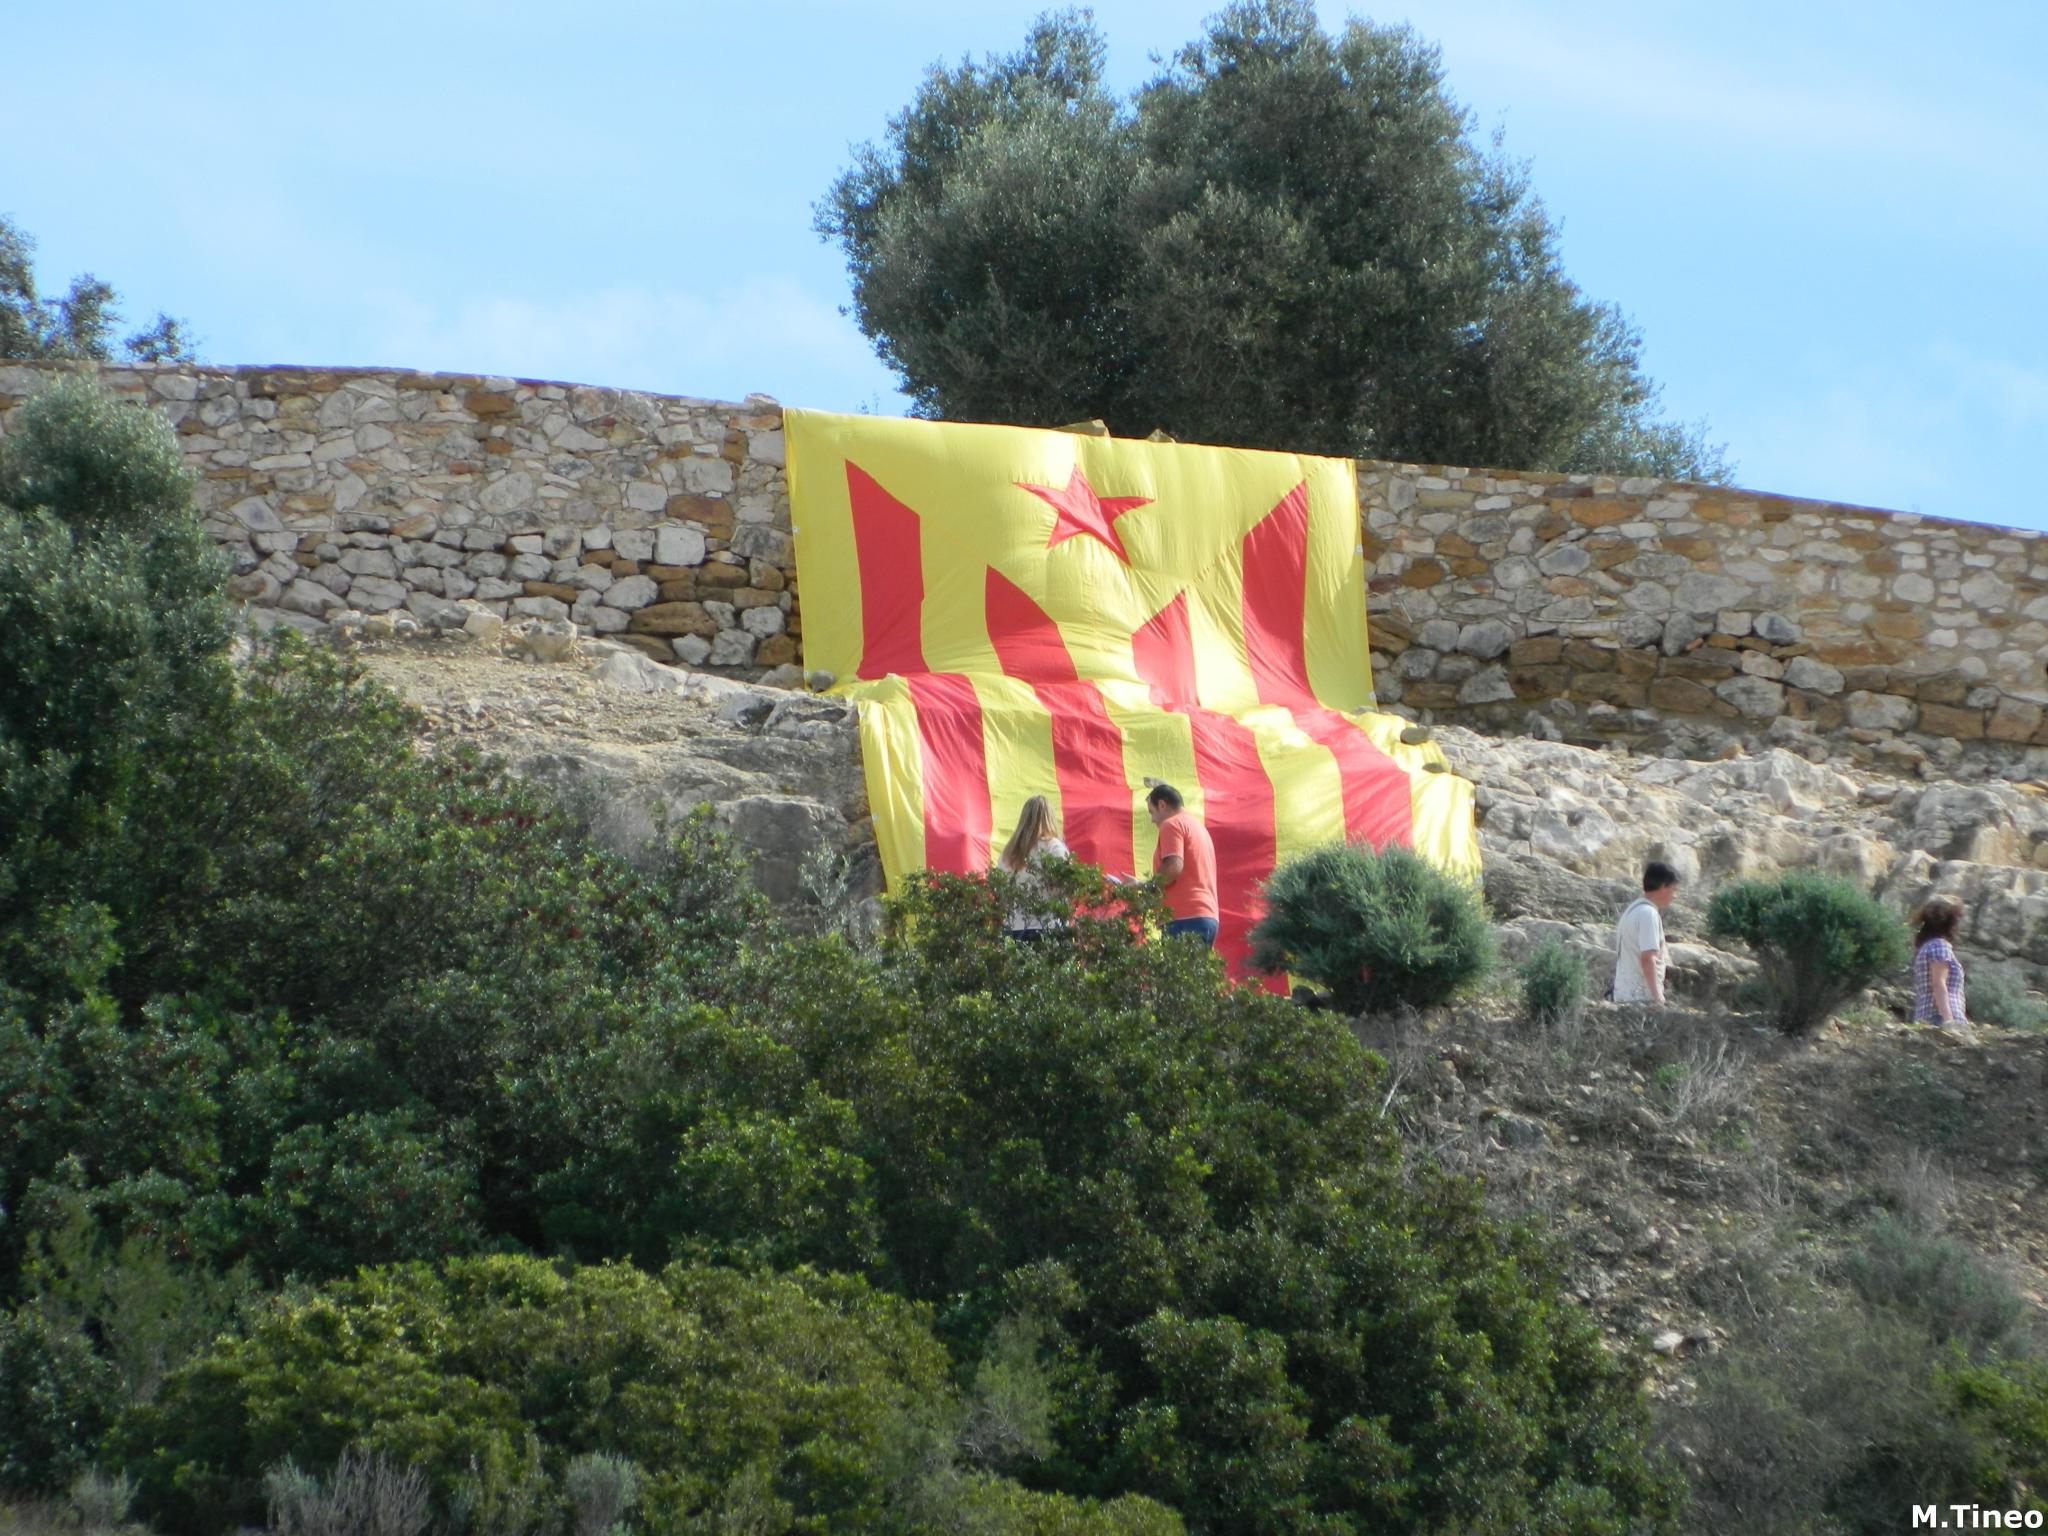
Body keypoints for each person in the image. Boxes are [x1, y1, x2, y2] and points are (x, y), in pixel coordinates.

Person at [1145, 783, 1219, 947]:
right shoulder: (1198, 827)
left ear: (1162, 804)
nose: (1152, 820)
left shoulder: (1171, 824)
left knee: (1179, 972)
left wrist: (1146, 887)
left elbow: (1172, 868)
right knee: (1196, 972)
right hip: (1205, 914)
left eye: (1152, 812)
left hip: (1183, 917)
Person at [998, 795, 1070, 941]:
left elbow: (1001, 892)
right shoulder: (1054, 848)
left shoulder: (1008, 852)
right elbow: (1062, 888)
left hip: (1014, 926)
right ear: (1050, 818)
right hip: (1047, 925)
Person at [1613, 861, 1680, 1005]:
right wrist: (1658, 998)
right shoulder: (1648, 914)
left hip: (1624, 995)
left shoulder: (1632, 910)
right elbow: (1648, 959)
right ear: (1663, 887)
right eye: (1674, 890)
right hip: (1640, 999)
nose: (1675, 896)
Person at [1911, 895, 1973, 1039]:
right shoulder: (1940, 946)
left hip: (1925, 1016)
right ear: (1951, 923)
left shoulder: (1925, 948)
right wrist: (1949, 1021)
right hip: (1939, 1018)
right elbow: (1939, 983)